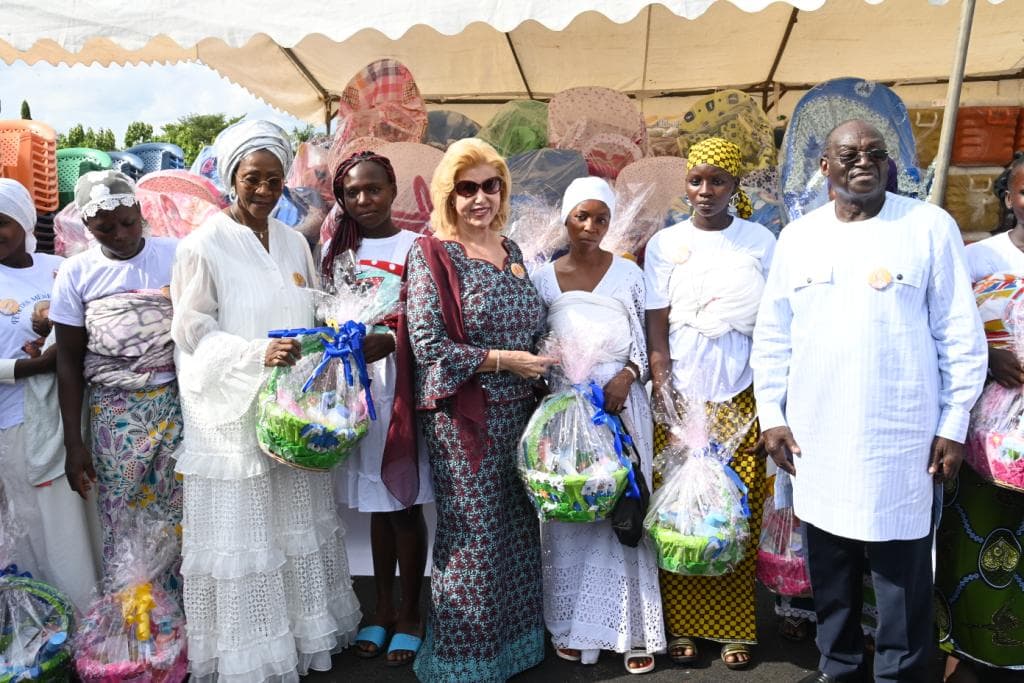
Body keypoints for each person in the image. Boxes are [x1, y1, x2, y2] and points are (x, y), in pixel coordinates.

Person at [752, 119, 988, 683]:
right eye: (849, 153)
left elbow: (960, 333)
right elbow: (774, 334)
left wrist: (954, 422)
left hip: (900, 442)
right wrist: (772, 415)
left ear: (889, 165)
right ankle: (838, 668)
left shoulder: (929, 227)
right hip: (819, 441)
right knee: (831, 577)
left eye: (875, 153)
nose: (863, 160)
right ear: (825, 168)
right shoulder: (798, 237)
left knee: (901, 579)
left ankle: (899, 674)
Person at [170, 120, 361, 682]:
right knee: (247, 536)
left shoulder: (293, 240)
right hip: (232, 416)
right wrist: (256, 353)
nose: (263, 191)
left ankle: (304, 640)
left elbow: (307, 312)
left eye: (274, 180)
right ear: (231, 178)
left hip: (293, 413)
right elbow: (191, 332)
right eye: (252, 178)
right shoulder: (202, 244)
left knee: (294, 523)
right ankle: (252, 657)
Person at [405, 137, 553, 682]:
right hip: (465, 423)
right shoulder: (432, 254)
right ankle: (462, 659)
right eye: (467, 189)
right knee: (472, 536)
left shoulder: (513, 251)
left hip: (520, 415)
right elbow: (428, 346)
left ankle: (514, 646)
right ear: (448, 194)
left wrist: (554, 348)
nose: (480, 199)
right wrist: (502, 361)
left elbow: (535, 322)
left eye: (491, 186)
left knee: (516, 530)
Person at [644, 136, 776, 670]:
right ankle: (683, 627)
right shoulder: (664, 244)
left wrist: (770, 399)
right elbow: (656, 320)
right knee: (680, 513)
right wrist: (663, 382)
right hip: (681, 402)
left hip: (741, 395)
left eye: (716, 181)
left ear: (734, 185)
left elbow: (773, 326)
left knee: (735, 511)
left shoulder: (761, 241)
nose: (705, 191)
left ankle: (733, 628)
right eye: (696, 180)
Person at [531, 176, 664, 674]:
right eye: (581, 216)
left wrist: (627, 379)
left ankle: (631, 630)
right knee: (571, 511)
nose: (590, 227)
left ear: (611, 223)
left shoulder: (630, 275)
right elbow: (538, 345)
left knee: (624, 515)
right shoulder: (543, 278)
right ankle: (572, 625)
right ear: (565, 219)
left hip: (622, 409)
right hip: (566, 414)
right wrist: (560, 398)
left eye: (601, 218)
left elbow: (646, 348)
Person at [322, 150, 433, 666]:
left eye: (373, 189)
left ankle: (412, 611)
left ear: (393, 189)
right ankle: (381, 608)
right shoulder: (337, 251)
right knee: (375, 504)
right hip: (355, 386)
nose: (363, 200)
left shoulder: (420, 247)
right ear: (341, 199)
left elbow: (435, 319)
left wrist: (392, 338)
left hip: (402, 386)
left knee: (403, 502)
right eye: (352, 193)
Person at [51, 170, 182, 598]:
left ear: (141, 213)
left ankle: (183, 618)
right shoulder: (76, 273)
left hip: (173, 402)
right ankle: (134, 620)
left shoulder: (176, 255)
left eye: (129, 222)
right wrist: (74, 444)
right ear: (86, 226)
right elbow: (69, 361)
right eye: (105, 227)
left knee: (178, 510)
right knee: (121, 514)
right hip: (113, 413)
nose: (122, 234)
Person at [935, 152, 1024, 683]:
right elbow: (950, 333)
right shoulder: (978, 259)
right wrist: (990, 357)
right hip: (992, 428)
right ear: (1008, 197)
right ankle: (971, 648)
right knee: (980, 537)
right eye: (1023, 189)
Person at [0, 179, 99, 608]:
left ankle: (105, 619)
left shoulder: (59, 266)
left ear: (23, 221)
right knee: (48, 528)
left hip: (76, 413)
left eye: (1, 222)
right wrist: (35, 366)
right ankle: (60, 623)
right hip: (19, 421)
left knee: (89, 517)